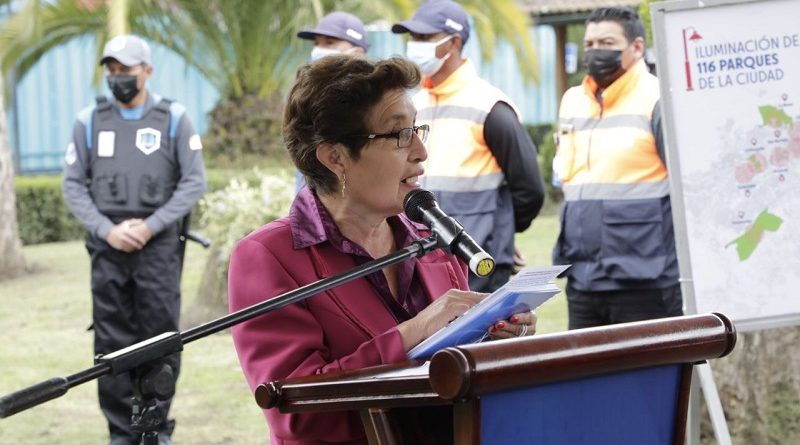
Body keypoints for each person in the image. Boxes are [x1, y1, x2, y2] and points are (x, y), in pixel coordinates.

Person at [228, 55, 538, 445]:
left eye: (417, 129)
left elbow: (458, 373)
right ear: (335, 157)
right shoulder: (268, 255)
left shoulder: (430, 239)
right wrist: (415, 331)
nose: (421, 152)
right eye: (399, 135)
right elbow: (296, 415)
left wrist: (497, 342)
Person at [61, 34, 206, 445]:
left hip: (157, 247)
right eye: (111, 69)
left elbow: (194, 181)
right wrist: (108, 230)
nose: (117, 77)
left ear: (147, 71)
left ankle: (156, 429)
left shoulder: (174, 118)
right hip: (109, 249)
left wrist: (151, 225)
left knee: (160, 338)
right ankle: (120, 433)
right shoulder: (88, 121)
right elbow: (73, 185)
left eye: (125, 69)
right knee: (111, 342)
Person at [391, 0, 545, 293]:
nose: (414, 45)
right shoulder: (414, 103)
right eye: (412, 38)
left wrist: (500, 235)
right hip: (424, 259)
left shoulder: (490, 107)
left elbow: (530, 190)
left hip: (478, 262)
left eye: (424, 38)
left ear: (454, 43)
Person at [551, 7, 682, 330]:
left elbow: (686, 189)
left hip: (645, 278)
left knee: (650, 378)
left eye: (606, 42)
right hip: (583, 278)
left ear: (637, 48)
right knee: (585, 376)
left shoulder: (659, 97)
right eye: (590, 44)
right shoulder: (572, 100)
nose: (596, 51)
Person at [294, 11, 371, 193]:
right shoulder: (307, 99)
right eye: (317, 43)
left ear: (357, 52)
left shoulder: (371, 104)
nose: (319, 50)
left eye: (329, 43)